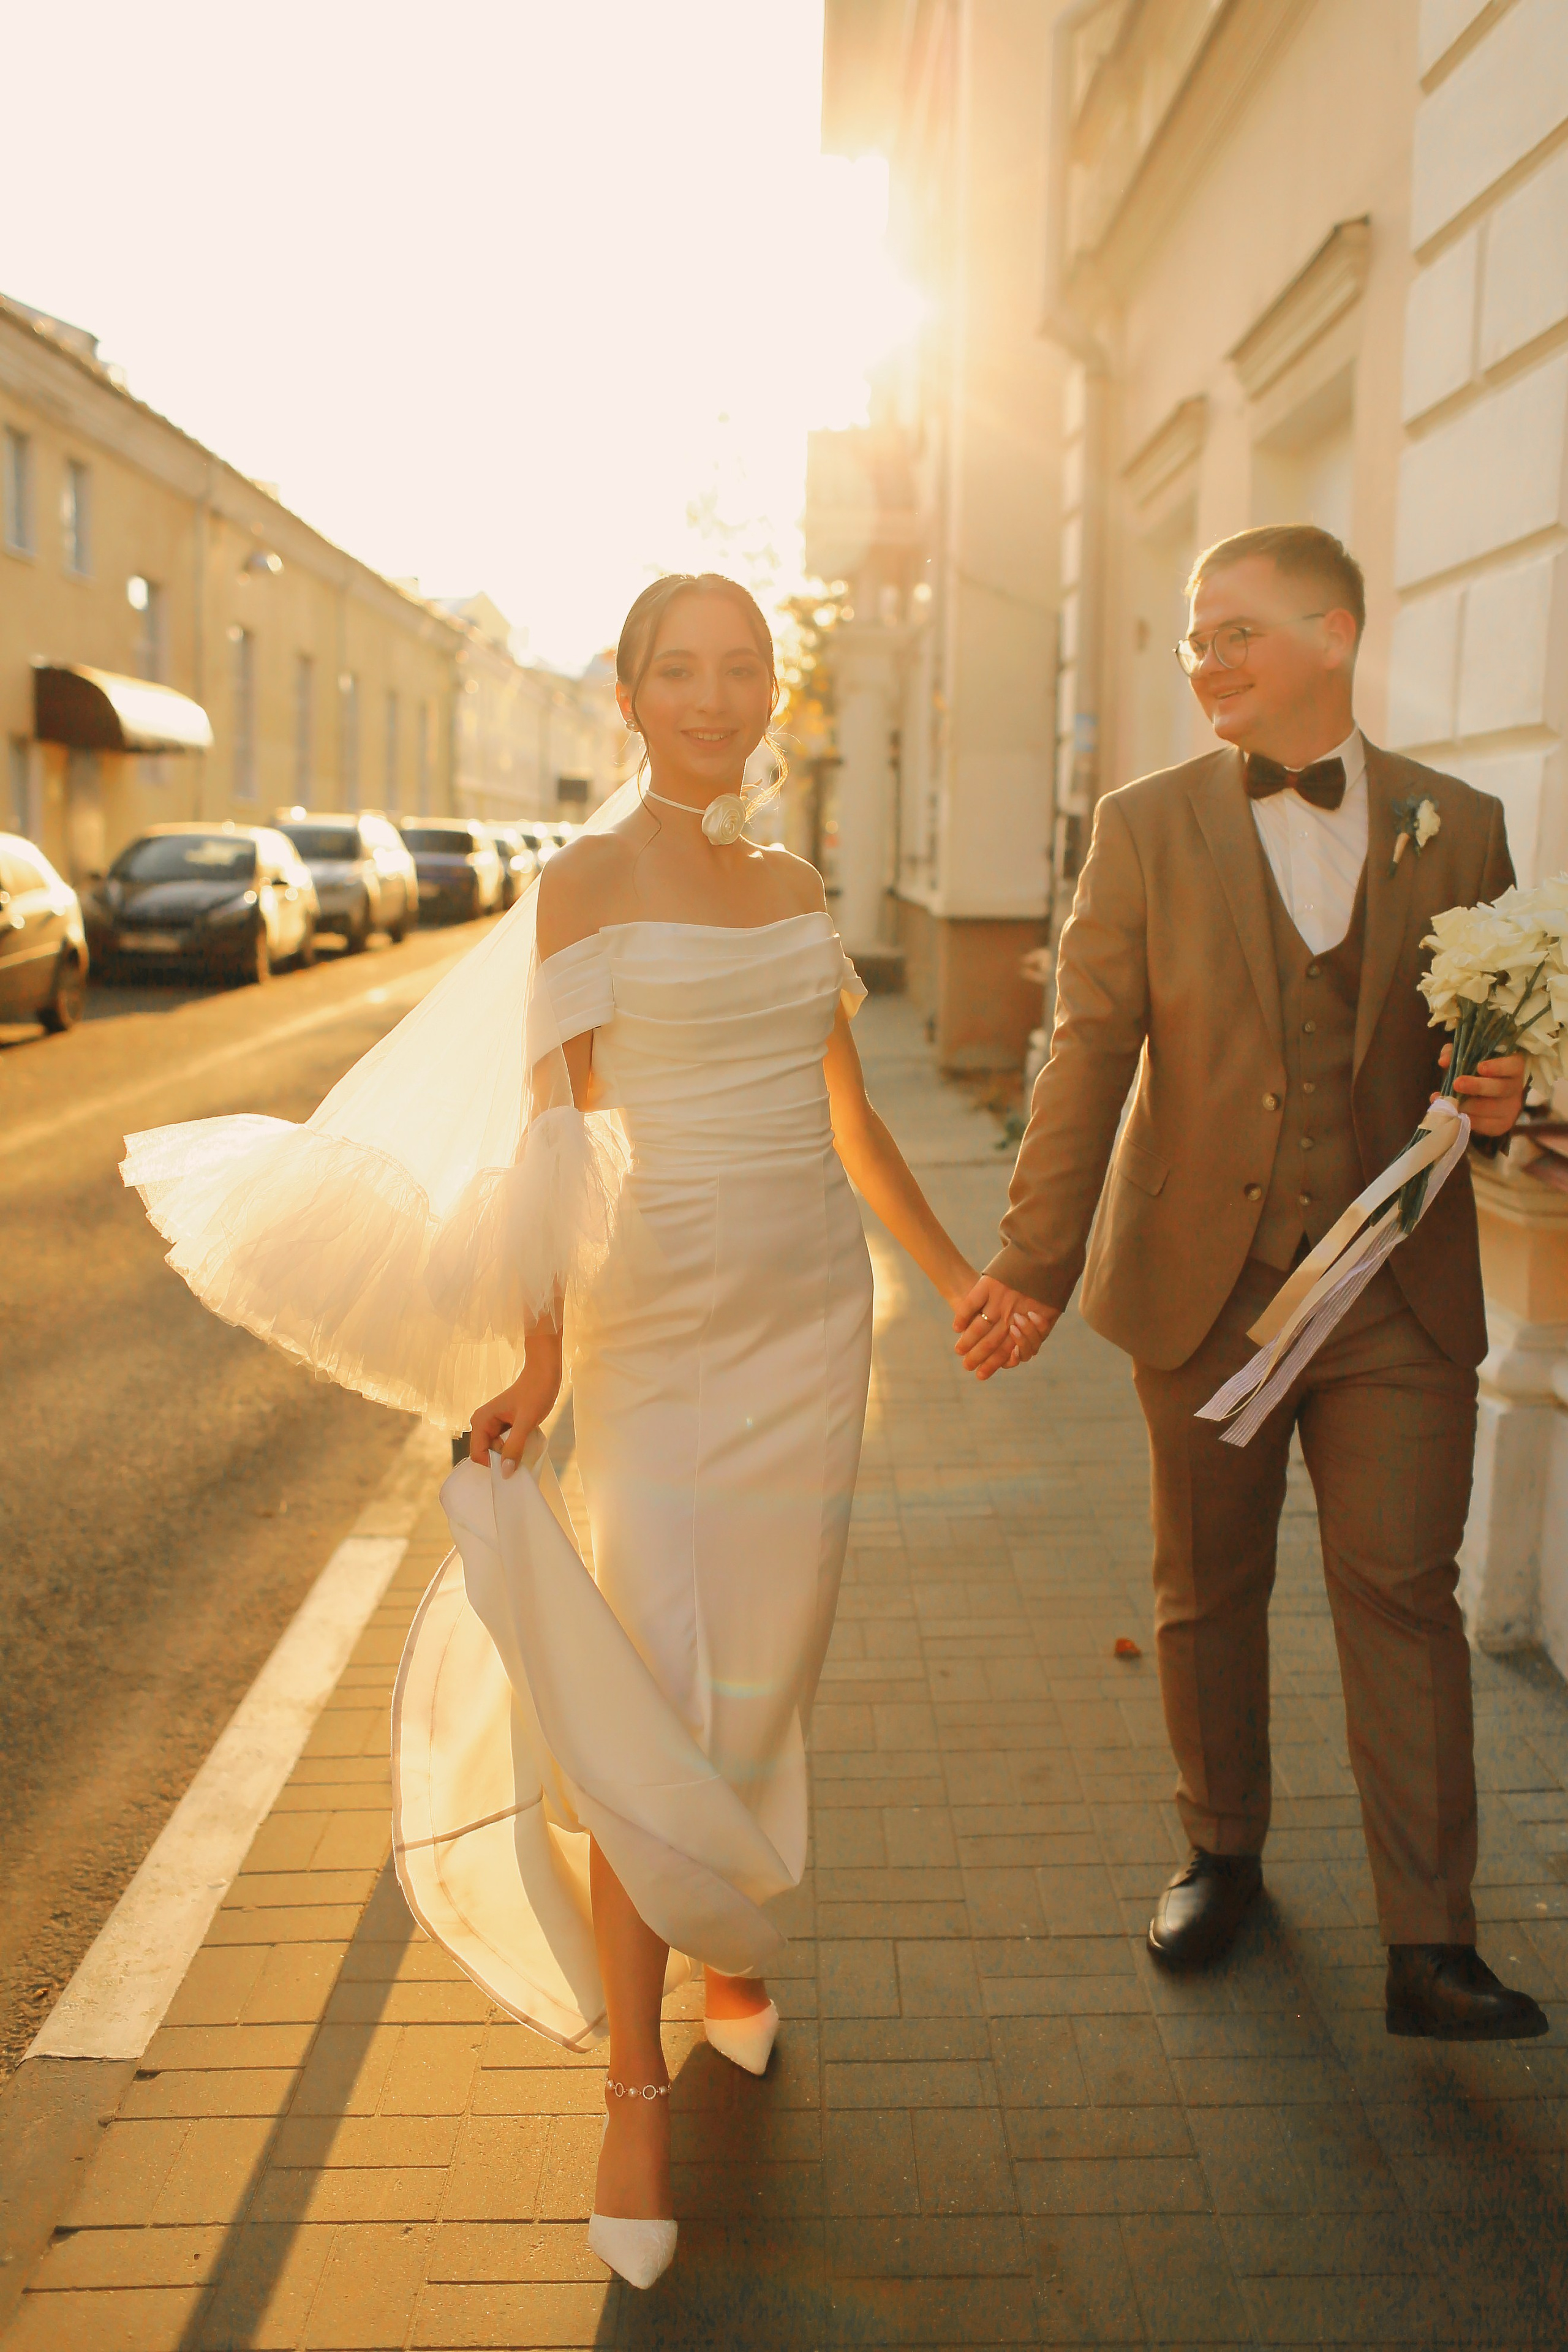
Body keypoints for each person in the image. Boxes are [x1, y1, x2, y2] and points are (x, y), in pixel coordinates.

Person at [124, 571, 1014, 2291]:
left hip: (813, 1321)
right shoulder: (589, 886)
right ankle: (632, 2079)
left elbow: (850, 1116)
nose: (712, 693)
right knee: (655, 1678)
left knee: (765, 1667)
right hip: (660, 1327)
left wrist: (966, 1278)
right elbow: (552, 1139)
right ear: (628, 696)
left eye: (741, 666)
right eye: (677, 670)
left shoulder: (802, 881)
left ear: (772, 693)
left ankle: (731, 1939)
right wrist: (538, 1367)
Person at [955, 525, 1548, 2044]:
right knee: (1206, 1588)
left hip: (1393, 1297)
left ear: (1333, 635)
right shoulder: (1143, 826)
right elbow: (1086, 1051)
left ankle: (1430, 1944)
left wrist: (1502, 1091)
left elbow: (1489, 1053)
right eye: (1191, 636)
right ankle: (1219, 1852)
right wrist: (1029, 1262)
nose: (1203, 657)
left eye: (1235, 631)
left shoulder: (1459, 825)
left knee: (1403, 1598)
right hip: (1202, 1283)